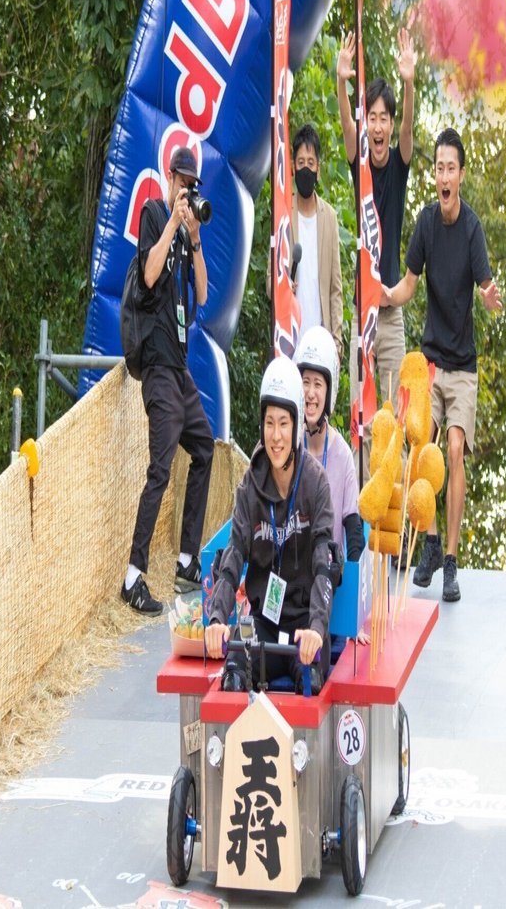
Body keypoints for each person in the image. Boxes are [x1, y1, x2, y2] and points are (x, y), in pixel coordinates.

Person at [380, 128, 503, 603]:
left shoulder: (471, 229)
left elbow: (485, 286)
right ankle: (428, 545)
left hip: (463, 367)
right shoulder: (426, 223)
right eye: (438, 168)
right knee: (418, 443)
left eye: (451, 167)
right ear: (434, 175)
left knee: (453, 449)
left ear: (462, 175)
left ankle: (450, 560)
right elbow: (410, 283)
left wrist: (488, 296)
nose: (444, 176)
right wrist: (390, 294)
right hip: (430, 363)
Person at [204, 356, 336, 693]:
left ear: (295, 427)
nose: (276, 436)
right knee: (232, 669)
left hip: (304, 626)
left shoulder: (316, 483)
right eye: (269, 423)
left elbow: (324, 565)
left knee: (309, 680)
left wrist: (318, 628)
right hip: (262, 623)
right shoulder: (250, 487)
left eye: (284, 424)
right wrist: (217, 618)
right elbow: (233, 557)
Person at [121, 146, 214, 615]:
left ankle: (185, 559)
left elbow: (200, 293)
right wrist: (175, 222)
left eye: (192, 185)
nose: (186, 190)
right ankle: (133, 576)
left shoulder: (186, 231)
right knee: (160, 469)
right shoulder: (153, 213)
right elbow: (151, 273)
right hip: (156, 365)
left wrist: (194, 239)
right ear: (168, 174)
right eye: (182, 181)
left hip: (180, 369)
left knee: (205, 448)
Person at [337, 27, 416, 479]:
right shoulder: (360, 162)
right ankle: (365, 544)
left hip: (393, 316)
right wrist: (344, 84)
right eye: (375, 117)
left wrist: (407, 82)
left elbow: (408, 131)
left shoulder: (399, 161)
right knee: (363, 423)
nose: (381, 125)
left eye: (385, 117)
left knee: (397, 420)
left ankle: (398, 521)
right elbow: (349, 131)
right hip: (361, 312)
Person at [266, 123, 343, 362]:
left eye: (311, 163)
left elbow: (335, 288)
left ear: (318, 169)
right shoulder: (283, 215)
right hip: (289, 343)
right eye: (301, 163)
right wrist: (281, 286)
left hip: (321, 344)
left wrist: (337, 343)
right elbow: (270, 283)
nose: (306, 170)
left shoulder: (329, 217)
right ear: (292, 168)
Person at [294, 326, 364, 564]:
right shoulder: (283, 445)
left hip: (327, 578)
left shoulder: (342, 454)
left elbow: (354, 528)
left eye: (318, 384)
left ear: (329, 391)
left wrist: (355, 584)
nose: (311, 393)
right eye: (305, 382)